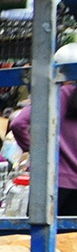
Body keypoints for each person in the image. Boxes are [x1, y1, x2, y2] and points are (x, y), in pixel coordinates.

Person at [9, 43, 77, 216]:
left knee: (39, 238)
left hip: (53, 181)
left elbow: (18, 123)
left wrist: (35, 150)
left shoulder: (57, 95)